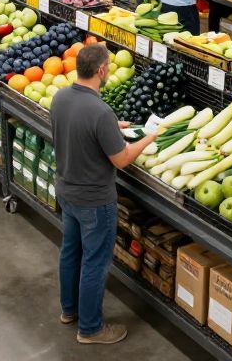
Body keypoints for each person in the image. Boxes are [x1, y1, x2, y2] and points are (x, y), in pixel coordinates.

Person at [50, 44, 157, 345]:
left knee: (70, 253)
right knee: (95, 262)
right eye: (108, 66)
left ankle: (68, 311)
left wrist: (113, 127)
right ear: (101, 70)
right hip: (95, 201)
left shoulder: (60, 97)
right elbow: (122, 160)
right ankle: (91, 328)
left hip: (67, 191)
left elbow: (76, 130)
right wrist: (149, 138)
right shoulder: (100, 111)